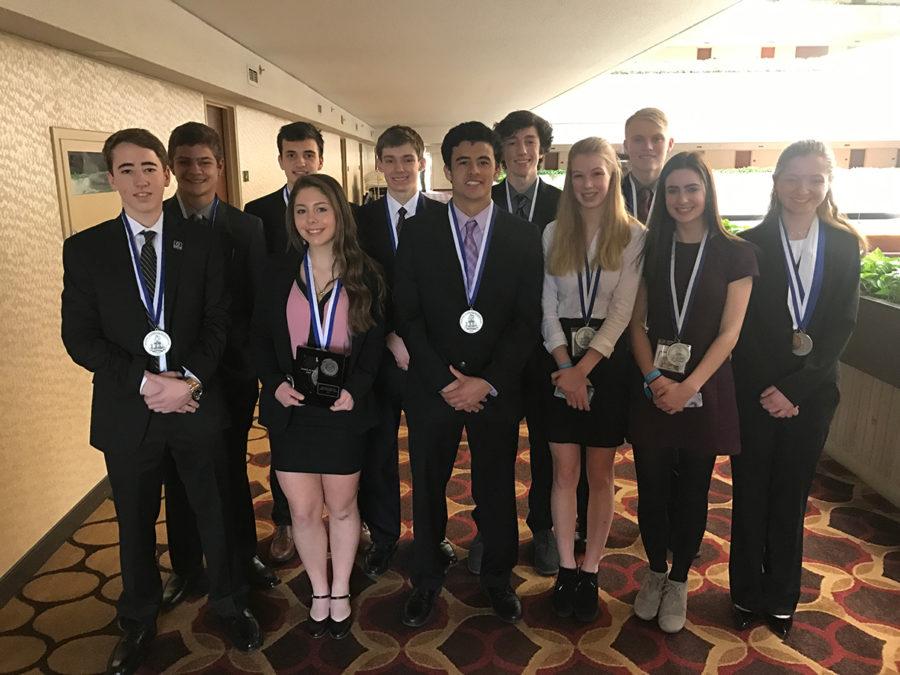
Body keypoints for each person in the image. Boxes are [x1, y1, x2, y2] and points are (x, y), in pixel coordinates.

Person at [61, 129, 262, 674]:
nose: (140, 179)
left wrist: (189, 379)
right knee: (134, 521)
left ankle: (228, 602)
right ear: (111, 179)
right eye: (126, 170)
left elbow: (220, 320)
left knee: (213, 510)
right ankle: (139, 616)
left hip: (197, 404)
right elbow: (80, 339)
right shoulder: (86, 250)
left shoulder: (204, 243)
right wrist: (149, 384)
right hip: (131, 413)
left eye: (149, 167)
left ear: (166, 174)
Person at [394, 122, 543, 627]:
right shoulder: (416, 232)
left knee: (496, 485)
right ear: (447, 168)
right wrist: (444, 380)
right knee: (427, 484)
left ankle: (497, 577)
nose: (474, 171)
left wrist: (488, 381)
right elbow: (407, 314)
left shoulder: (524, 237)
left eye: (483, 161)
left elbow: (528, 319)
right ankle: (427, 580)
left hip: (495, 390)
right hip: (433, 387)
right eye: (463, 162)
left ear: (497, 167)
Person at [730, 140, 864, 639]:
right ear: (776, 181)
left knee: (790, 496)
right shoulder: (749, 243)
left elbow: (842, 326)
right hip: (756, 392)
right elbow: (741, 331)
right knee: (750, 492)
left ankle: (782, 595)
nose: (802, 189)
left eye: (814, 179)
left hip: (811, 396)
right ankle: (744, 593)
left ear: (828, 183)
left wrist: (796, 389)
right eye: (792, 178)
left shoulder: (846, 244)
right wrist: (770, 387)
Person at [251, 173, 385, 639]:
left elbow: (374, 347)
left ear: (339, 214)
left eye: (321, 209)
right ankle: (320, 588)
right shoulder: (276, 271)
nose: (311, 219)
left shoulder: (365, 272)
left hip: (342, 410)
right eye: (302, 211)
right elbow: (258, 340)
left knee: (344, 508)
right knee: (304, 511)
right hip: (292, 410)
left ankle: (342, 588)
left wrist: (358, 390)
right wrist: (274, 383)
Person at [627, 152, 756, 633]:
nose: (682, 199)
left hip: (705, 387)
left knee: (693, 490)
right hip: (654, 387)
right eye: (673, 190)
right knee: (652, 486)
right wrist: (655, 381)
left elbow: (730, 333)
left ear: (707, 192)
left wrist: (689, 387)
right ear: (662, 197)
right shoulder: (649, 249)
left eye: (691, 189)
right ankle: (655, 572)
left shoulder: (736, 253)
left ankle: (679, 577)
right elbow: (636, 324)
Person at [159, 122, 276, 609]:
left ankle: (241, 555)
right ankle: (187, 565)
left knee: (230, 467)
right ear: (171, 168)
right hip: (170, 377)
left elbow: (257, 299)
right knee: (177, 471)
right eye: (184, 162)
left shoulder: (246, 226)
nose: (194, 171)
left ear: (220, 167)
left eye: (204, 162)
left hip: (229, 374)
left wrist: (248, 364)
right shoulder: (155, 219)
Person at [541, 137, 643, 622]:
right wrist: (565, 368)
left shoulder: (634, 235)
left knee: (600, 474)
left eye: (596, 174)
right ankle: (565, 567)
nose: (587, 185)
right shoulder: (551, 233)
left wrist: (582, 370)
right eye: (578, 175)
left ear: (612, 176)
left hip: (606, 361)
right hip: (561, 360)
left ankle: (591, 567)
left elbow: (622, 312)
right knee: (563, 472)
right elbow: (544, 308)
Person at [355, 125, 454, 578]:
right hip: (377, 357)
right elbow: (354, 290)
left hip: (426, 358)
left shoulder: (444, 216)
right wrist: (389, 336)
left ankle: (432, 537)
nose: (398, 169)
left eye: (407, 160)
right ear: (379, 164)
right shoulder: (360, 221)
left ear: (421, 163)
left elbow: (452, 293)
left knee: (429, 454)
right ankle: (384, 535)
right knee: (378, 453)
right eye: (389, 160)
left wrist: (418, 344)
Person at [485, 110, 563, 576]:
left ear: (542, 148)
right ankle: (492, 531)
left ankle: (544, 528)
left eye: (528, 141)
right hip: (493, 349)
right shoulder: (481, 198)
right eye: (510, 142)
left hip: (549, 347)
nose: (520, 151)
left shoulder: (564, 202)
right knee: (493, 447)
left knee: (546, 447)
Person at [245, 120, 325, 563]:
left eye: (308, 155)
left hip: (333, 347)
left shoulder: (340, 207)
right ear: (280, 160)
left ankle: (354, 514)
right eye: (291, 155)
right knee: (283, 440)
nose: (300, 163)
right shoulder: (256, 214)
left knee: (343, 438)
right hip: (281, 349)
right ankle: (286, 521)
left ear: (320, 159)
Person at [621, 108, 674, 224]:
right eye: (638, 139)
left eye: (657, 139)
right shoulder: (611, 194)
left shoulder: (680, 195)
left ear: (670, 144)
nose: (648, 146)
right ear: (626, 146)